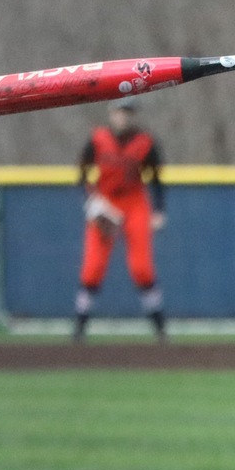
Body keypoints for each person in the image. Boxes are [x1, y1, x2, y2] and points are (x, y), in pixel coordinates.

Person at [73, 102, 165, 341]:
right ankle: (79, 327)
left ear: (133, 116)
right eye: (119, 112)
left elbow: (156, 178)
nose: (123, 117)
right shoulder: (99, 138)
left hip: (135, 203)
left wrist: (159, 209)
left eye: (127, 113)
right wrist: (91, 200)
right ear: (111, 114)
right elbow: (81, 172)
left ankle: (160, 327)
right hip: (106, 202)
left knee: (142, 268)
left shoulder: (145, 141)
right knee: (92, 268)